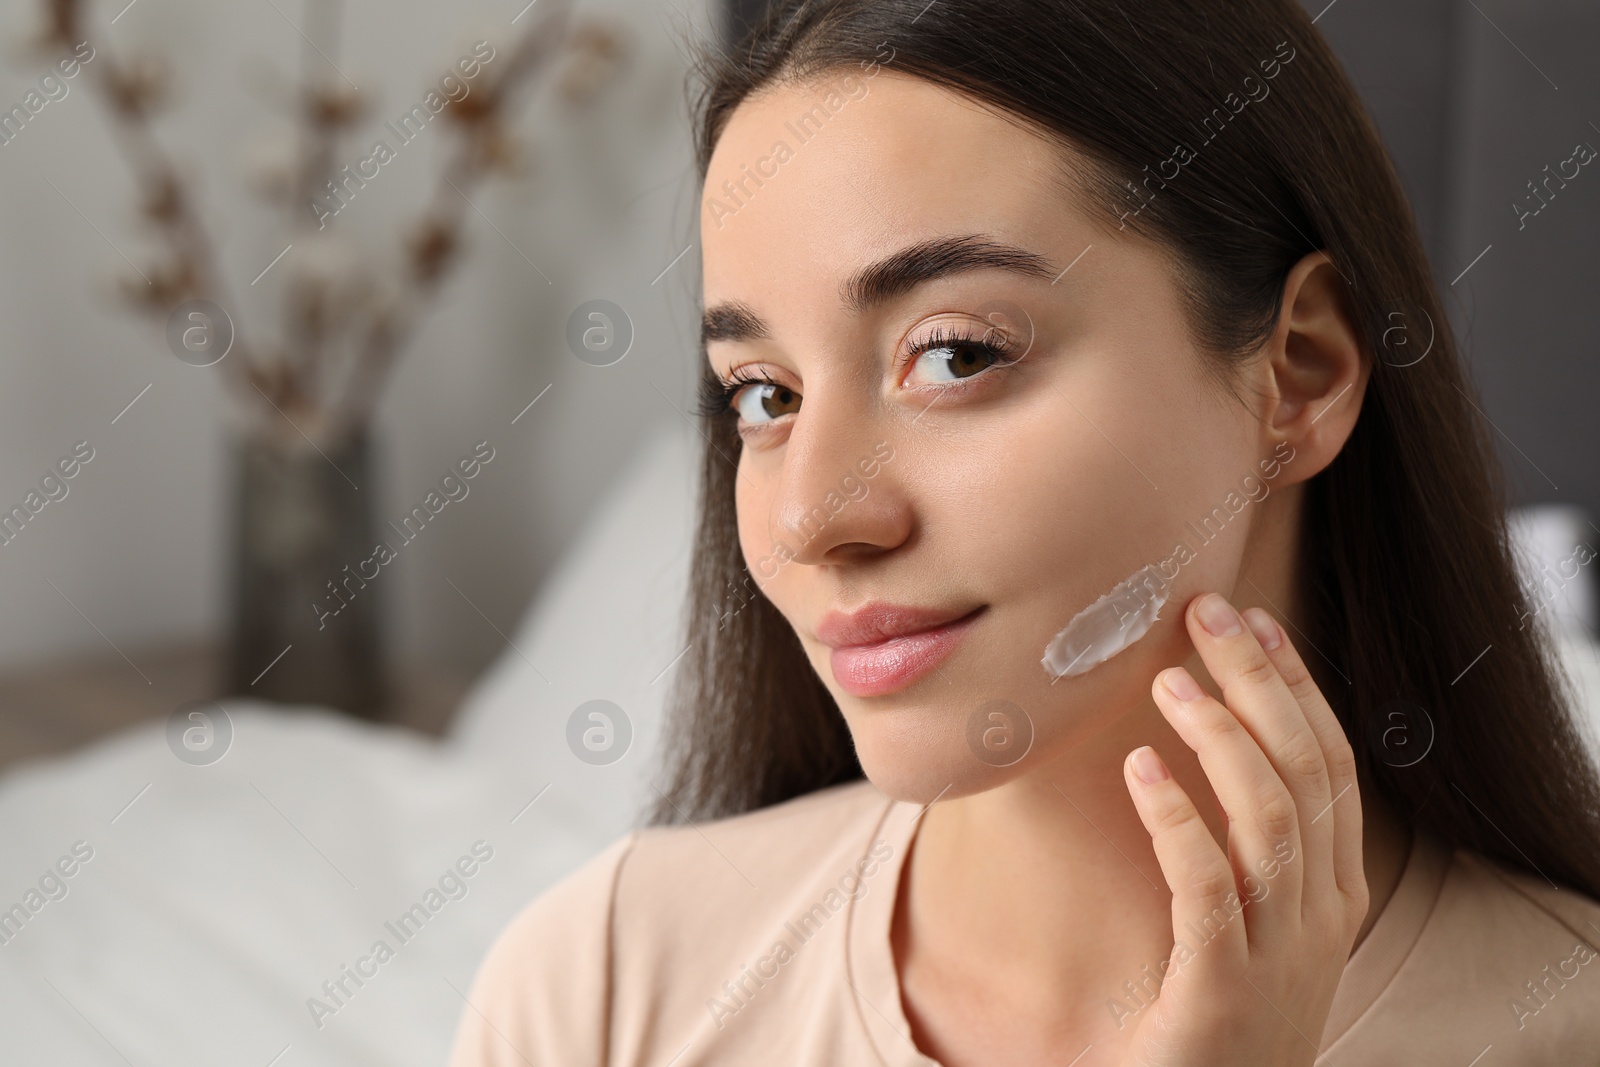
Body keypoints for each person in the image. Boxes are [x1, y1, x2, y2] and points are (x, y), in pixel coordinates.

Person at [449, 1, 1600, 1063]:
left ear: (1298, 370)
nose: (813, 516)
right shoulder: (601, 985)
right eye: (762, 394)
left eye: (954, 353)